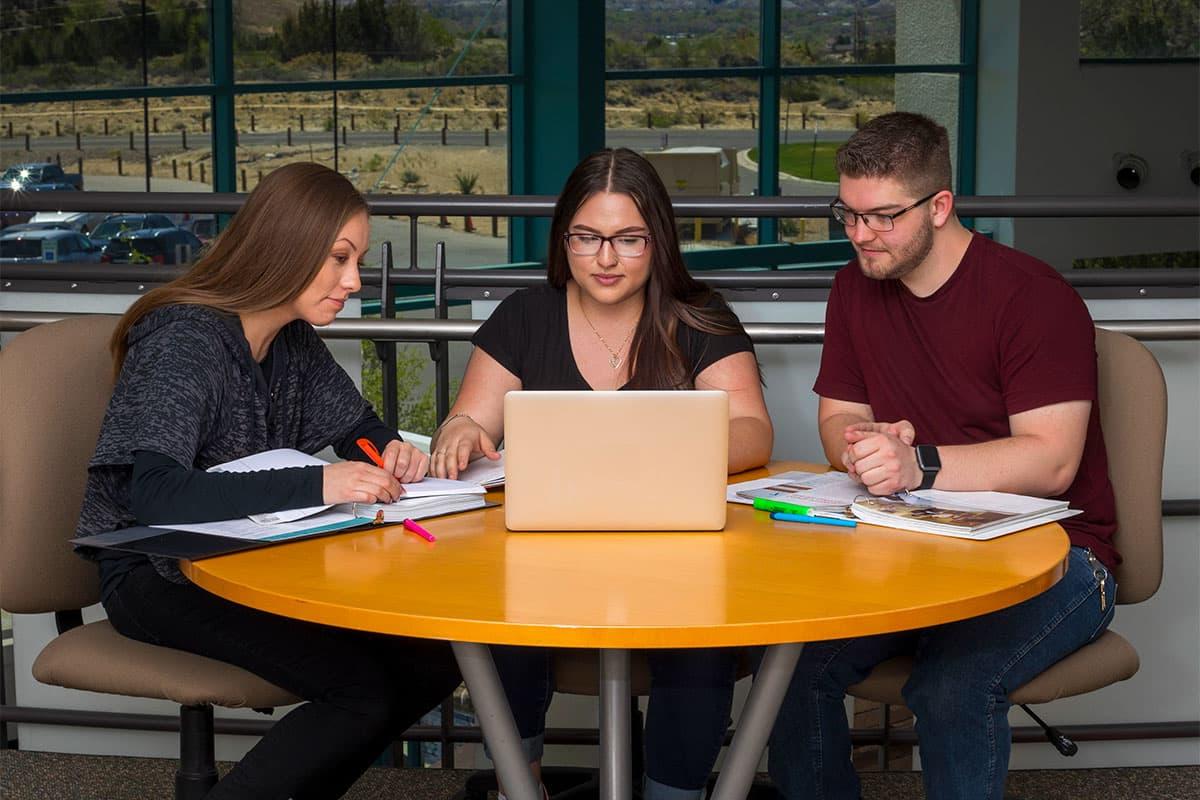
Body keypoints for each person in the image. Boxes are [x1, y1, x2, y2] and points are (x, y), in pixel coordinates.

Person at [75, 162, 461, 800]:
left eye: (357, 260)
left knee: (432, 661)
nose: (354, 281)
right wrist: (320, 485)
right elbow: (155, 495)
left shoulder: (291, 341)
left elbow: (356, 426)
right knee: (358, 693)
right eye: (338, 259)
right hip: (154, 569)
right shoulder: (185, 342)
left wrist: (388, 448)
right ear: (285, 247)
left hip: (248, 559)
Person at [765, 112, 1118, 800]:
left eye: (883, 217)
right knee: (791, 665)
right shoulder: (854, 286)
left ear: (941, 206)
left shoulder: (1032, 297)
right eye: (848, 213)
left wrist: (917, 463)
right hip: (912, 546)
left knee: (954, 687)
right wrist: (863, 448)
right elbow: (840, 415)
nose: (861, 235)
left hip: (1060, 555)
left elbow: (1052, 463)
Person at [430, 147, 774, 800]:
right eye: (588, 238)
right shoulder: (526, 317)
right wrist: (463, 430)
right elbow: (466, 421)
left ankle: (675, 794)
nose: (606, 259)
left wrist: (661, 447)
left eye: (628, 239)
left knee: (700, 643)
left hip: (679, 562)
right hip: (551, 562)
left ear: (658, 240)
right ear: (565, 239)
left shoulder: (700, 314)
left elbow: (754, 432)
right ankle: (518, 779)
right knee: (503, 612)